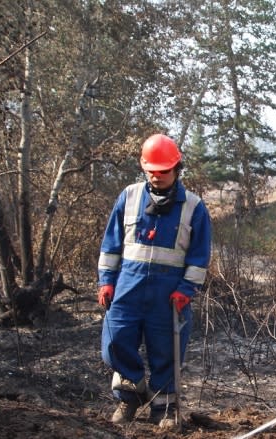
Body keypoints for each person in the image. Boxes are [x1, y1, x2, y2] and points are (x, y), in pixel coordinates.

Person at [97, 133, 212, 428]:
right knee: (115, 341)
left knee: (166, 351)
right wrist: (106, 280)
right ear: (143, 167)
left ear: (176, 169)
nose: (156, 177)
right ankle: (130, 395)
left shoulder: (193, 207)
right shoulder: (129, 196)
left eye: (163, 172)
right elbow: (111, 244)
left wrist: (187, 288)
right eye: (151, 171)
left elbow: (199, 255)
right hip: (128, 287)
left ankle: (164, 408)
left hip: (169, 292)